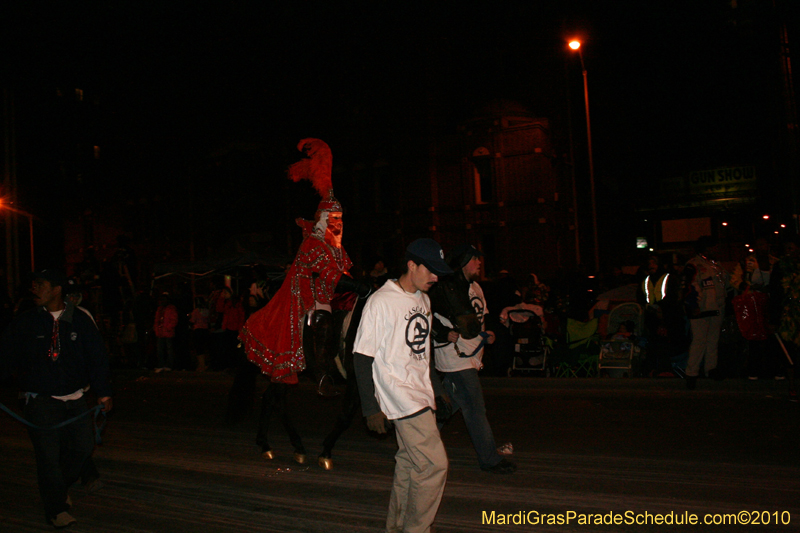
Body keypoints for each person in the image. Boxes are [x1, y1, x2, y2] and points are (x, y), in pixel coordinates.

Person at [353, 238, 452, 533]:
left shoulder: (424, 299)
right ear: (411, 265)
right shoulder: (380, 301)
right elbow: (361, 357)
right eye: (431, 271)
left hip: (420, 394)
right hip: (400, 394)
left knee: (410, 465)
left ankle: (397, 526)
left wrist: (438, 389)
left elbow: (422, 352)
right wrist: (371, 407)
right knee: (435, 466)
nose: (435, 278)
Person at [1, 269, 112, 528]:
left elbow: (97, 358)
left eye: (41, 284)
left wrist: (103, 391)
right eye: (34, 284)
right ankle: (56, 509)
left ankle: (56, 489)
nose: (35, 289)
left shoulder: (81, 319)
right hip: (40, 400)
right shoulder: (26, 321)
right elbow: (5, 355)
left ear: (57, 289)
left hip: (76, 399)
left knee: (83, 448)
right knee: (48, 457)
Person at [429, 244, 516, 475]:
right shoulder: (444, 289)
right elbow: (426, 315)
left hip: (471, 357)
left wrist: (488, 334)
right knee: (475, 408)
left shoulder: (476, 287)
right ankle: (489, 459)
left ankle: (417, 446)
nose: (479, 263)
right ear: (464, 261)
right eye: (475, 259)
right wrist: (442, 332)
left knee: (448, 406)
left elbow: (480, 317)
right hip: (455, 358)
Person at [683, 236, 731, 390]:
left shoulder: (717, 265)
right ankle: (691, 373)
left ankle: (711, 369)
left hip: (717, 307)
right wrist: (693, 305)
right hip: (701, 309)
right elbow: (688, 287)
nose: (717, 250)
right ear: (706, 248)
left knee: (713, 340)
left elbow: (726, 285)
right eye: (714, 247)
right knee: (699, 341)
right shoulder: (693, 264)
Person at [731, 236, 779, 380]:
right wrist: (750, 287)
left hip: (771, 303)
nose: (761, 247)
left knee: (772, 337)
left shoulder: (776, 262)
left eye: (763, 244)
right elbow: (735, 280)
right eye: (758, 245)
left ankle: (774, 369)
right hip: (752, 303)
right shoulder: (746, 262)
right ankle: (754, 369)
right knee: (754, 337)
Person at [153, 292, 178, 372]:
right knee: (160, 350)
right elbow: (156, 320)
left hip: (167, 332)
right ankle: (161, 365)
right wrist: (156, 328)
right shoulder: (159, 309)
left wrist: (168, 327)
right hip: (160, 332)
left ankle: (169, 365)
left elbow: (174, 320)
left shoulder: (171, 309)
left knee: (169, 350)